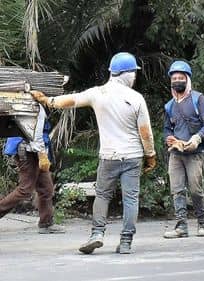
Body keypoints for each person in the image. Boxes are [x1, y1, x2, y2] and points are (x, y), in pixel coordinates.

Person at [32, 52, 157, 254]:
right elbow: (145, 132)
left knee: (102, 195)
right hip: (133, 156)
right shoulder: (136, 99)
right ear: (126, 74)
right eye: (133, 73)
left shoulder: (97, 93)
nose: (134, 77)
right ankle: (126, 242)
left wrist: (47, 100)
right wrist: (150, 155)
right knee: (131, 199)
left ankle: (97, 234)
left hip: (108, 157)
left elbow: (71, 100)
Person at [162, 60, 204, 238]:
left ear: (187, 79)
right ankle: (181, 226)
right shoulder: (169, 105)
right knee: (176, 190)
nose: (177, 81)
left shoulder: (198, 99)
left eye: (180, 77)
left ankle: (202, 222)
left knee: (195, 190)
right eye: (174, 78)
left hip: (195, 153)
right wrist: (169, 139)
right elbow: (167, 129)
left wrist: (197, 138)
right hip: (176, 154)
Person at [1, 104, 65, 234]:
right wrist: (42, 155)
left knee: (46, 188)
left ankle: (46, 223)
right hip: (29, 151)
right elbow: (35, 134)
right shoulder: (34, 107)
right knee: (25, 189)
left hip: (34, 150)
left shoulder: (31, 104)